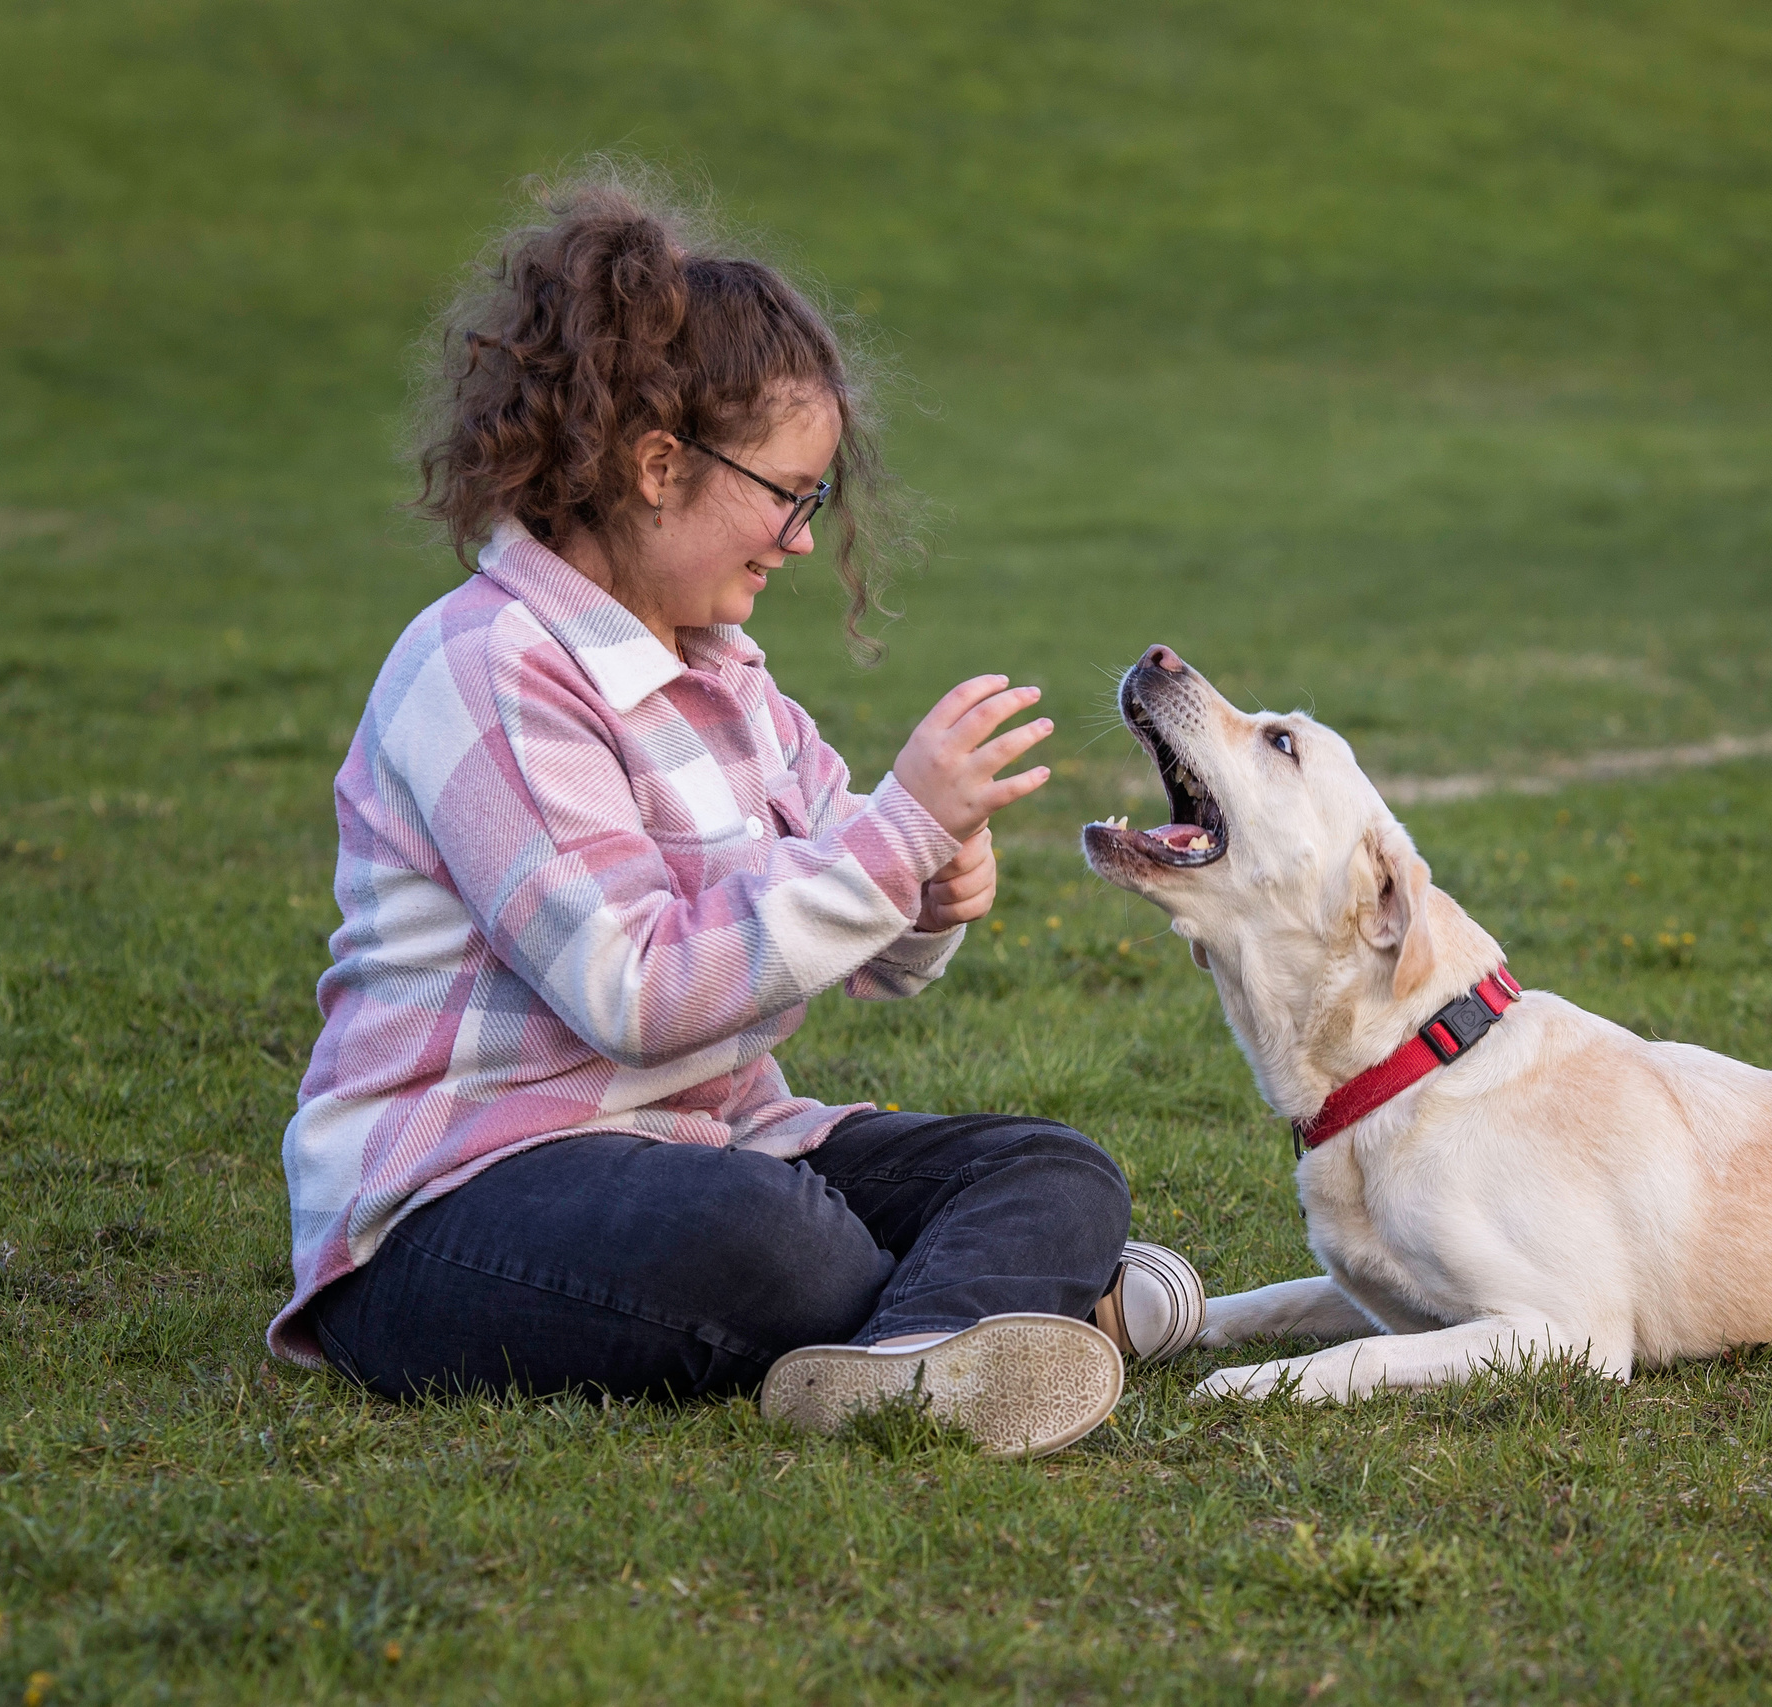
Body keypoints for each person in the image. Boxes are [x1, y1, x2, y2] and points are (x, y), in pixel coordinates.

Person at [267, 171, 1200, 1459]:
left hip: (716, 1142)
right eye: (789, 494)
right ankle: (1036, 1312)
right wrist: (894, 842)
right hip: (457, 1212)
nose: (803, 540)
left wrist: (928, 888)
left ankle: (911, 1359)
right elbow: (631, 993)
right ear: (660, 466)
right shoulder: (486, 666)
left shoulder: (725, 676)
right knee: (765, 1240)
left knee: (1054, 1171)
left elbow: (861, 922)